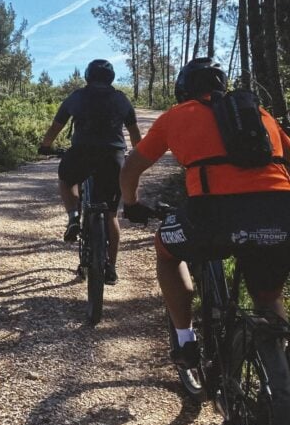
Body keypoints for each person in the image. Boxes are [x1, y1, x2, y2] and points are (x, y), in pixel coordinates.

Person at [120, 57, 290, 368]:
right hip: (280, 211)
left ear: (183, 90)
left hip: (213, 215)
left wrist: (130, 203)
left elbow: (132, 167)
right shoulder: (261, 114)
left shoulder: (177, 115)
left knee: (166, 249)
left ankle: (186, 341)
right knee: (267, 297)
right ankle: (281, 361)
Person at [39, 58, 142, 285]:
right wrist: (137, 157)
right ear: (111, 78)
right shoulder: (121, 99)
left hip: (81, 153)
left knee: (66, 180)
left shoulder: (76, 97)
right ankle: (112, 268)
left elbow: (56, 127)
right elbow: (135, 134)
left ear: (88, 76)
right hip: (112, 156)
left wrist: (45, 146)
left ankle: (73, 217)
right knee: (111, 214)